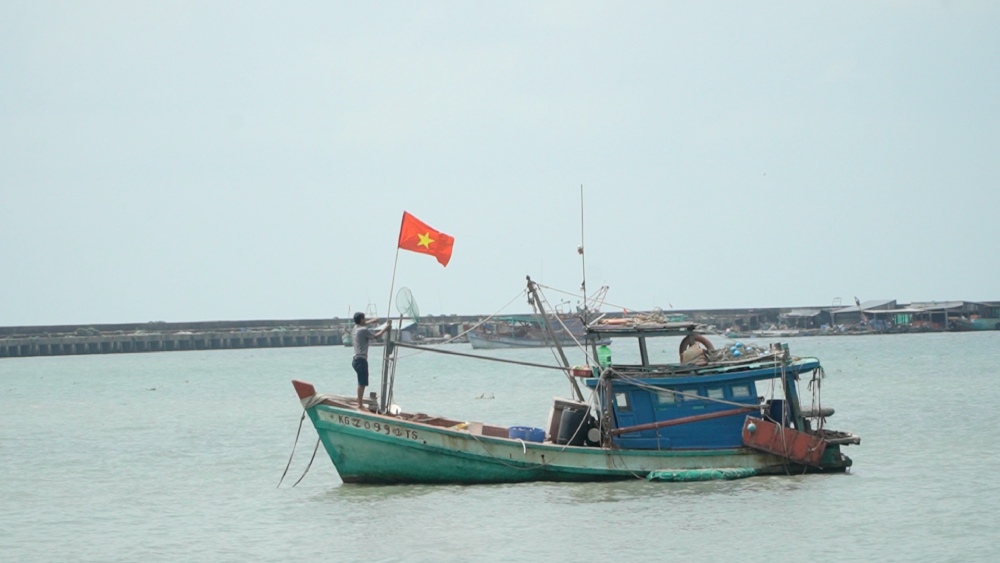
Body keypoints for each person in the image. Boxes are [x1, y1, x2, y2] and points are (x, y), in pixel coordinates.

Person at [351, 312, 391, 411]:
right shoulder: (363, 330)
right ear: (361, 320)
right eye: (364, 319)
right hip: (361, 360)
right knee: (362, 383)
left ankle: (359, 401)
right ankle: (359, 404)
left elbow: (363, 324)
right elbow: (376, 337)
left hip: (356, 360)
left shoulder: (355, 328)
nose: (365, 320)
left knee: (361, 382)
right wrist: (385, 329)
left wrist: (373, 320)